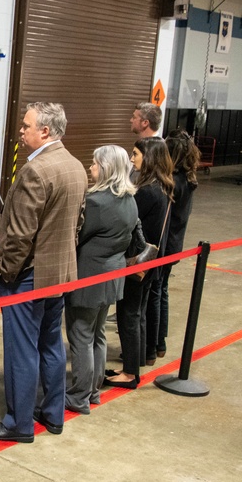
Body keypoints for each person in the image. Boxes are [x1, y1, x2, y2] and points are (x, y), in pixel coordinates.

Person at [0, 102, 87, 443]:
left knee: (22, 349)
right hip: (60, 273)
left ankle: (18, 422)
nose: (20, 131)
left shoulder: (35, 172)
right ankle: (53, 414)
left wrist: (7, 274)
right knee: (51, 342)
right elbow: (78, 223)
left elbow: (19, 235)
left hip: (28, 276)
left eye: (26, 126)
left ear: (45, 131)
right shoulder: (75, 166)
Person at [64, 146, 137, 413]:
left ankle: (79, 395)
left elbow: (77, 236)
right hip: (112, 276)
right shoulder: (129, 198)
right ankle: (93, 391)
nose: (90, 168)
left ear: (105, 168)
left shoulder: (96, 202)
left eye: (94, 164)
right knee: (97, 335)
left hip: (89, 277)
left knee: (81, 335)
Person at [107, 137, 173, 389]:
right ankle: (138, 362)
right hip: (153, 262)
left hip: (139, 263)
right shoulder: (163, 186)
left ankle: (130, 373)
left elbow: (128, 220)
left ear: (149, 158)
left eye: (135, 154)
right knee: (138, 314)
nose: (132, 159)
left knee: (128, 316)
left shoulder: (147, 191)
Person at [147, 131, 200, 360]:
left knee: (155, 293)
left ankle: (154, 343)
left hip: (165, 246)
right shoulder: (187, 179)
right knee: (162, 291)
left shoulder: (173, 183)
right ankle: (160, 343)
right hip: (175, 244)